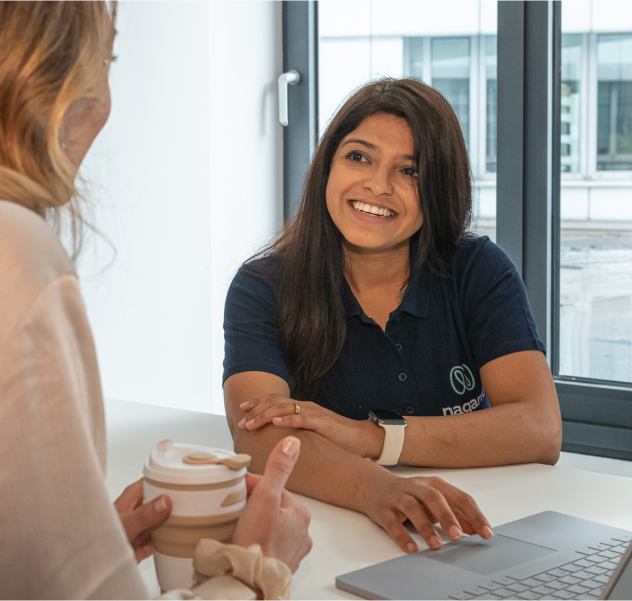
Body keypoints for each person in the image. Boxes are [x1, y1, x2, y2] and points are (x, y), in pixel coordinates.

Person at [0, 1, 311, 600]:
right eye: (104, 56)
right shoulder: (15, 252)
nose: (104, 103)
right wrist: (254, 567)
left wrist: (80, 550)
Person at [223, 78, 563, 555]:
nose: (378, 185)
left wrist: (370, 437)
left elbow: (540, 429)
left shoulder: (478, 269)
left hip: (478, 526)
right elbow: (256, 438)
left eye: (411, 172)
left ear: (441, 189)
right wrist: (376, 488)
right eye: (358, 156)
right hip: (331, 531)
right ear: (327, 165)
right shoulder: (263, 285)